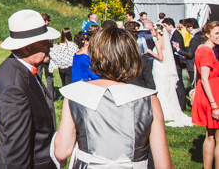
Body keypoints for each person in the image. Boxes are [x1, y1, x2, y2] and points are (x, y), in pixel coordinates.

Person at [53, 27, 174, 169]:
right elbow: (163, 165)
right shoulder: (149, 100)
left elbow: (61, 152)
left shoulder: (75, 94)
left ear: (95, 55)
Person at [0, 9, 60, 168]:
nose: (50, 44)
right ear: (26, 48)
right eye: (44, 41)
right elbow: (17, 153)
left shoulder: (23, 70)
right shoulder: (14, 87)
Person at [151, 23, 193, 127]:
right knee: (167, 88)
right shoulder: (166, 41)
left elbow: (160, 57)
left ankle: (164, 111)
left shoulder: (157, 42)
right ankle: (169, 109)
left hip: (160, 66)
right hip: (164, 67)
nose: (151, 32)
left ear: (157, 32)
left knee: (160, 86)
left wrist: (149, 52)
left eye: (152, 31)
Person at [192, 21, 219, 168]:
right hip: (212, 95)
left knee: (210, 135)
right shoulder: (207, 51)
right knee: (216, 137)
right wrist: (214, 105)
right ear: (208, 35)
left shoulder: (201, 48)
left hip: (209, 94)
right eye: (217, 33)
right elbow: (204, 78)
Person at [163, 18, 187, 110]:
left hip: (177, 61)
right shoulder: (172, 34)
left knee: (179, 82)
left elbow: (178, 48)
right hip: (173, 61)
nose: (165, 28)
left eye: (165, 26)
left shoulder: (177, 35)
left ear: (170, 25)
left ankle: (182, 103)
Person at [177, 17, 202, 87]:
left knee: (196, 85)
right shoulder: (200, 35)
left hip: (192, 65)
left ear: (191, 27)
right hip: (197, 64)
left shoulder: (195, 38)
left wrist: (178, 50)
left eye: (186, 28)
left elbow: (190, 54)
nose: (186, 30)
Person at [37, 14, 55, 100]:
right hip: (46, 56)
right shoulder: (48, 31)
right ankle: (50, 94)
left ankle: (39, 93)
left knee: (39, 74)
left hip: (40, 55)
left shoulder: (36, 32)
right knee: (49, 76)